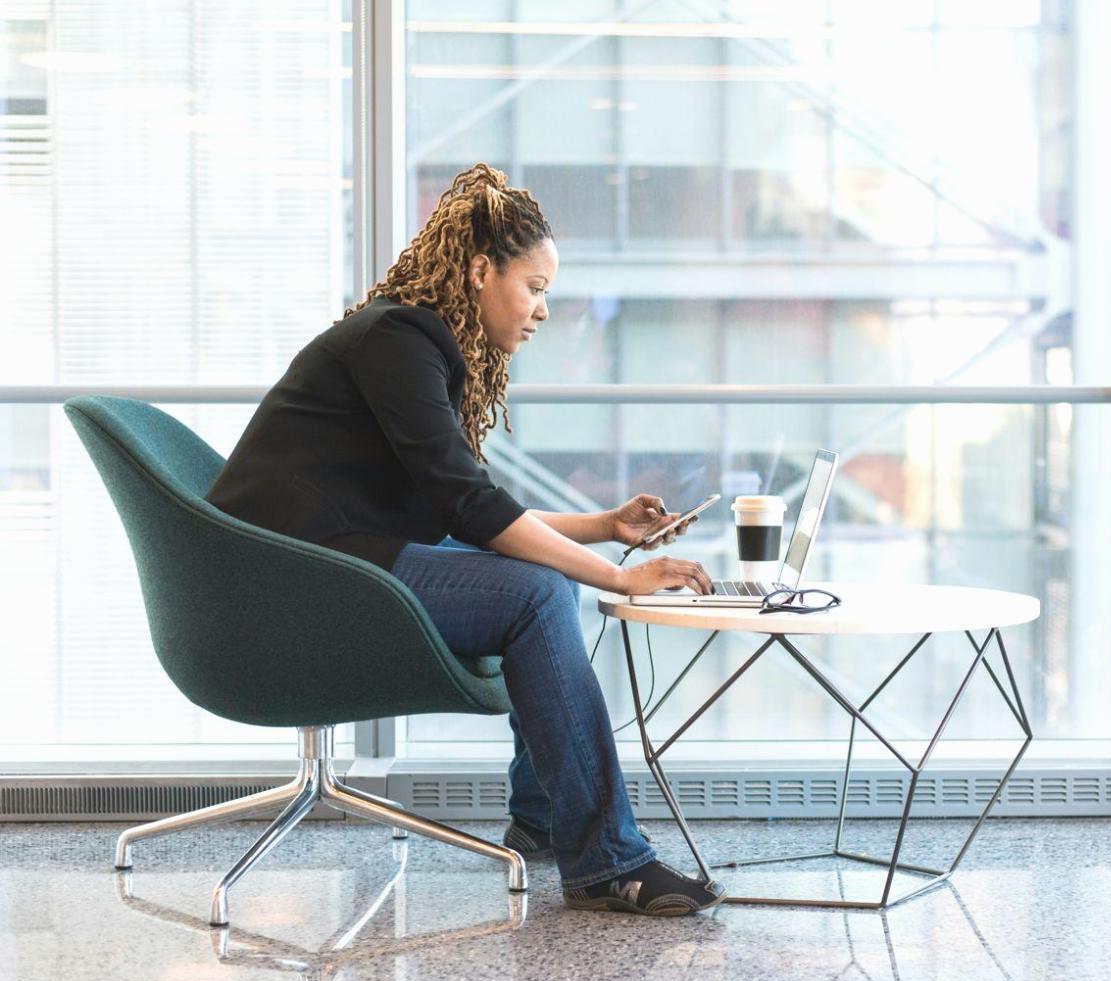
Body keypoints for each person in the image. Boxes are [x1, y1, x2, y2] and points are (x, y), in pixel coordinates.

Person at [205, 162, 724, 917]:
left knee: (544, 579)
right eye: (536, 287)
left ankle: (546, 821)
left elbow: (467, 506)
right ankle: (608, 860)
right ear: (482, 270)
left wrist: (605, 529)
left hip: (319, 561)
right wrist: (619, 575)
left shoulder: (409, 342)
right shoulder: (400, 338)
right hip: (287, 580)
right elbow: (472, 507)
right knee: (541, 590)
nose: (544, 309)